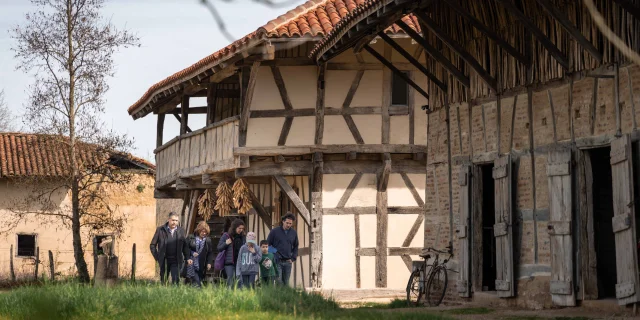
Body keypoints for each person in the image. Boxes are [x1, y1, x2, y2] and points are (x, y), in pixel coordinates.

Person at [150, 212, 191, 285]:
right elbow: (152, 245)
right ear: (168, 220)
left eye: (176, 221)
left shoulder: (181, 231)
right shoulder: (160, 230)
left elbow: (185, 246)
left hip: (176, 260)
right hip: (164, 260)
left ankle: (175, 295)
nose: (174, 222)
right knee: (164, 281)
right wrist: (157, 257)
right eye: (173, 220)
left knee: (175, 280)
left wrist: (187, 257)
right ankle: (163, 295)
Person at [267, 213, 299, 286]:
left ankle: (285, 297)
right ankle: (278, 297)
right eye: (287, 223)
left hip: (288, 262)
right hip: (277, 261)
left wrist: (293, 258)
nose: (288, 225)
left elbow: (296, 246)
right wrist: (275, 252)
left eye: (290, 223)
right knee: (279, 282)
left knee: (286, 283)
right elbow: (267, 244)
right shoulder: (274, 231)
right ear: (283, 222)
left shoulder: (293, 233)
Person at [217, 218, 245, 287]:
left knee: (240, 281)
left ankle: (239, 297)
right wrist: (226, 243)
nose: (241, 230)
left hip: (239, 263)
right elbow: (219, 248)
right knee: (231, 282)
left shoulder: (243, 237)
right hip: (229, 263)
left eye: (242, 228)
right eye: (239, 228)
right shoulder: (226, 236)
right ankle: (230, 296)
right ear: (235, 227)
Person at [185, 221, 214, 288]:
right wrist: (191, 254)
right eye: (202, 231)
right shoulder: (190, 238)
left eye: (205, 232)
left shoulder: (208, 241)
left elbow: (210, 253)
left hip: (201, 265)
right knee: (197, 282)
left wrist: (209, 263)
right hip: (192, 264)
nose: (204, 233)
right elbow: (185, 249)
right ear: (198, 230)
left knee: (197, 281)